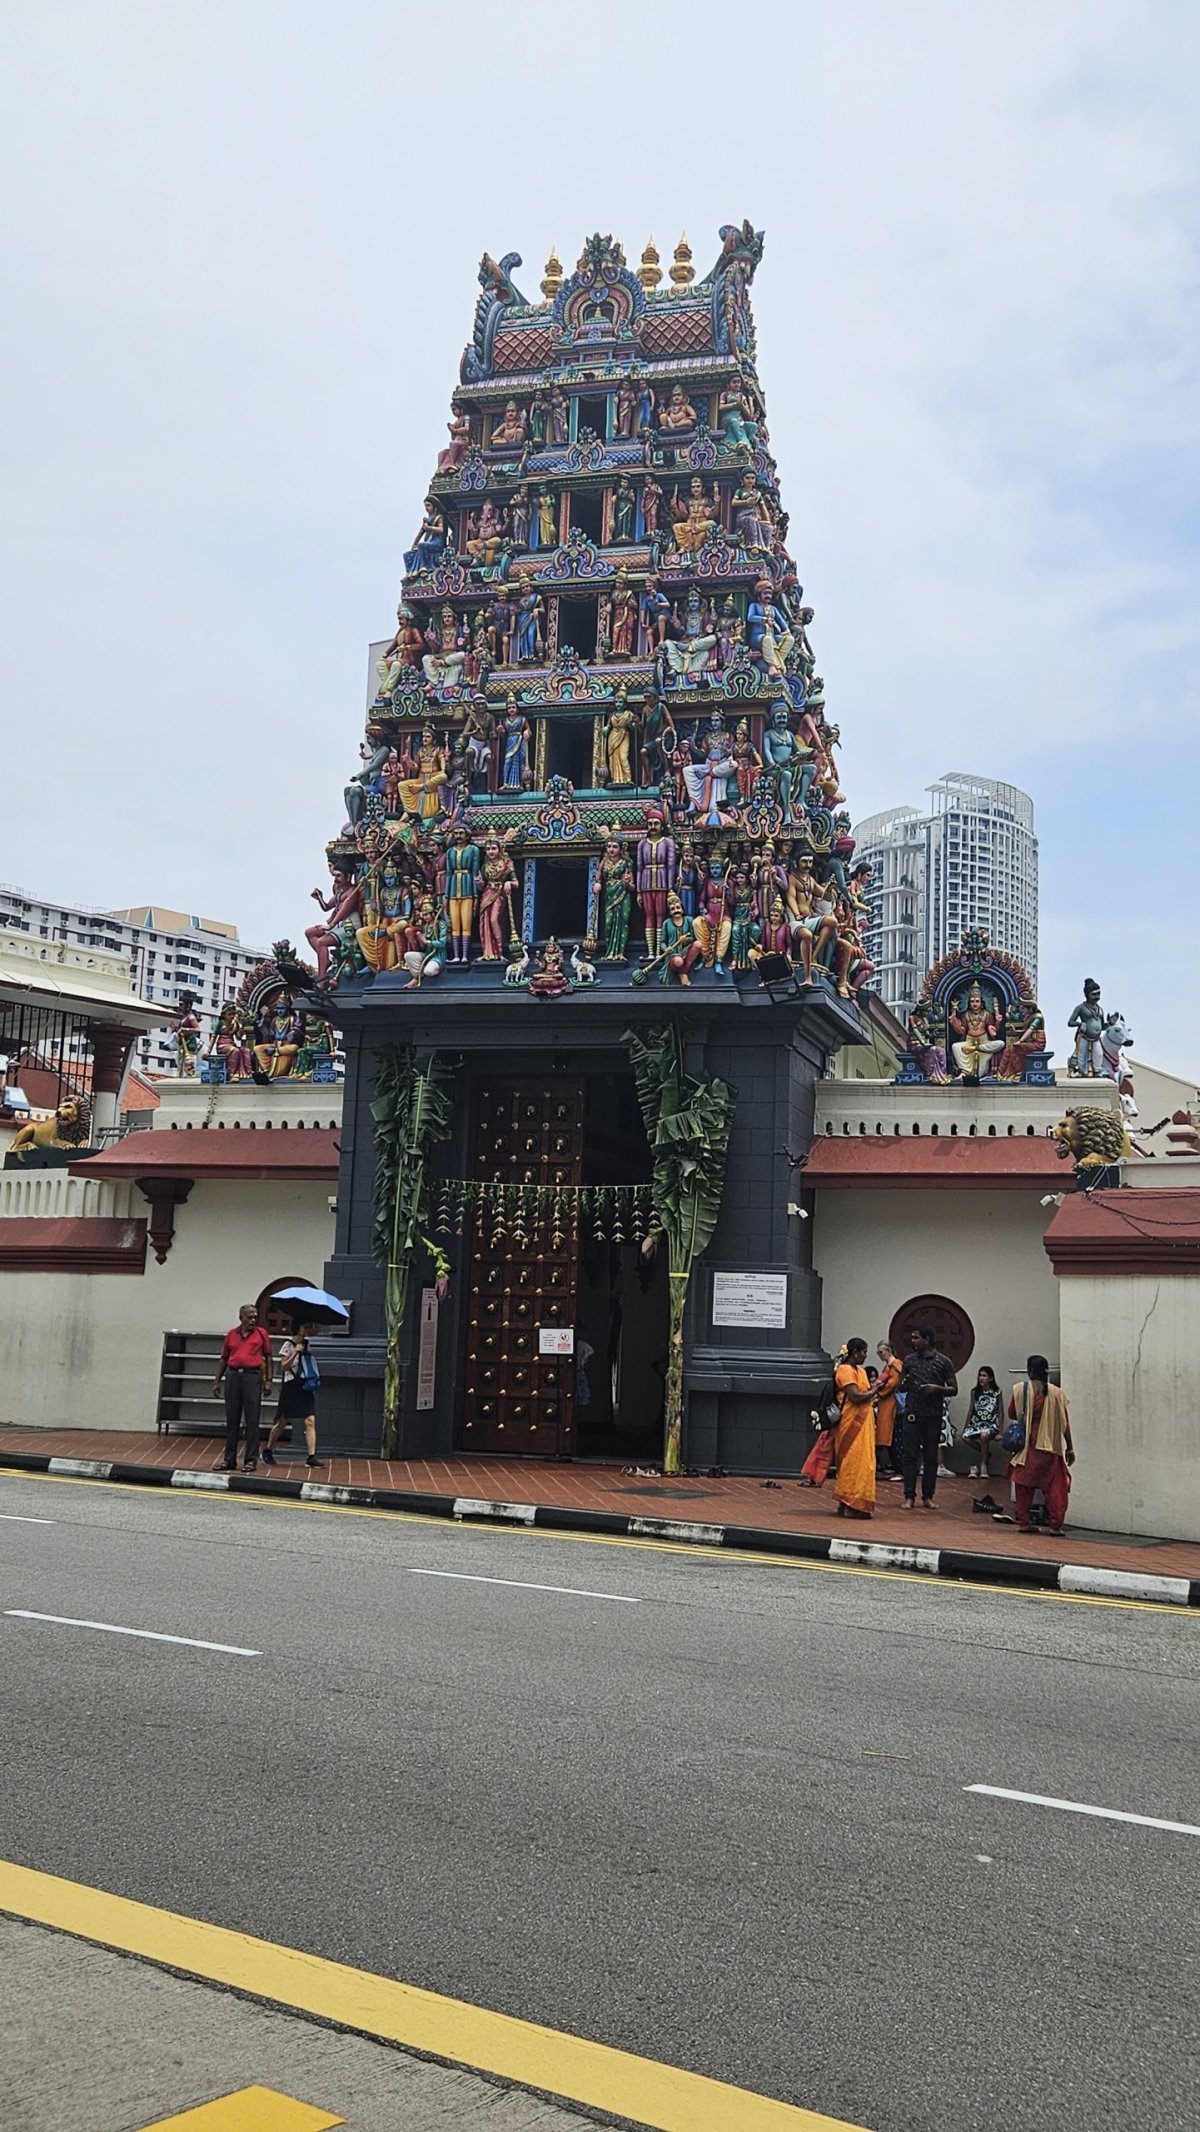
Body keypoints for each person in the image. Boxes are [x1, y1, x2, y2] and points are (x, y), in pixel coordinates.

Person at [1007, 1356, 1075, 1535]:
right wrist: (1070, 1447)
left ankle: (1024, 1522)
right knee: (1054, 1488)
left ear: (1029, 1371)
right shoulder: (1057, 1393)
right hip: (1050, 1446)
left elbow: (1012, 1414)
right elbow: (1064, 1424)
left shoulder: (1020, 1390)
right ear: (1047, 1371)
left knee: (1023, 1486)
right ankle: (1055, 1526)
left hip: (1027, 1446)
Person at [897, 1325, 957, 1510]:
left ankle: (928, 1496)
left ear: (928, 1339)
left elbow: (954, 1389)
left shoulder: (943, 1362)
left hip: (933, 1414)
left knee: (931, 1457)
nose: (913, 1341)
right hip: (912, 1413)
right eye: (912, 1338)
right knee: (909, 1456)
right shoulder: (908, 1360)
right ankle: (909, 1496)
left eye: (916, 1338)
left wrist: (936, 1388)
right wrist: (904, 1383)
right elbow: (900, 1387)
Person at [213, 1304, 273, 1472]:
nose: (253, 1320)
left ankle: (251, 1459)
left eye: (255, 1317)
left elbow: (268, 1357)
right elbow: (224, 1358)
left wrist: (269, 1380)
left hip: (252, 1376)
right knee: (232, 1419)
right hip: (233, 1376)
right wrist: (217, 1380)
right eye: (249, 1317)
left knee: (252, 1420)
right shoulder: (232, 1334)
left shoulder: (261, 1334)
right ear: (241, 1318)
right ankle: (229, 1459)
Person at [263, 1324, 324, 1470]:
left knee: (310, 1420)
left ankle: (311, 1456)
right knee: (282, 1421)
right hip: (290, 1386)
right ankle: (268, 1449)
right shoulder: (288, 1344)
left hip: (305, 1386)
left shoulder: (308, 1344)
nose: (307, 1329)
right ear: (297, 1328)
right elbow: (283, 1366)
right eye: (305, 1326)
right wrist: (295, 1353)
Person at [832, 1339, 876, 1519]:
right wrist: (875, 1390)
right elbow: (856, 1396)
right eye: (864, 1352)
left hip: (864, 1422)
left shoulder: (861, 1371)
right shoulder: (845, 1371)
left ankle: (849, 1503)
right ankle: (852, 1505)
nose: (866, 1356)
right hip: (851, 1424)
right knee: (853, 1462)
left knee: (864, 1463)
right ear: (856, 1352)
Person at [962, 1365, 1003, 1482]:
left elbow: (1000, 1411)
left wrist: (1000, 1431)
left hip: (990, 1423)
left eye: (984, 1376)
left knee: (984, 1435)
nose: (981, 1378)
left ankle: (983, 1464)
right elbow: (971, 1410)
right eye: (980, 1375)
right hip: (977, 1423)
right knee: (965, 1438)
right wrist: (965, 1427)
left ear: (990, 1378)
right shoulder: (975, 1392)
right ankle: (986, 1453)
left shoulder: (997, 1392)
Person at [874, 1339, 904, 1480]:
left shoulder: (895, 1365)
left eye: (881, 1352)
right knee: (890, 1437)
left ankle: (900, 1469)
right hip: (886, 1403)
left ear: (888, 1351)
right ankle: (896, 1467)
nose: (879, 1355)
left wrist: (878, 1391)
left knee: (893, 1437)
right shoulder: (890, 1366)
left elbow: (892, 1384)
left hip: (891, 1404)